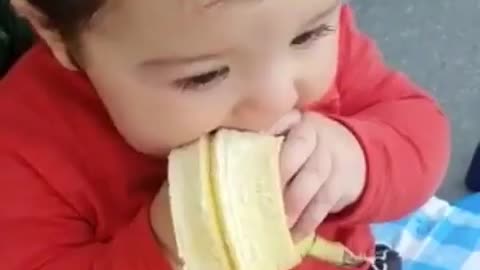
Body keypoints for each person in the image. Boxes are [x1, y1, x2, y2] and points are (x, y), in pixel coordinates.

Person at [0, 0, 450, 269]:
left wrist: (358, 159)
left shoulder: (283, 21)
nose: (278, 100)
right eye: (203, 76)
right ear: (52, 30)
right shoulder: (22, 150)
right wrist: (163, 247)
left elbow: (418, 130)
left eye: (309, 35)